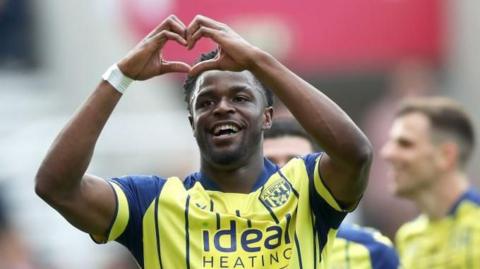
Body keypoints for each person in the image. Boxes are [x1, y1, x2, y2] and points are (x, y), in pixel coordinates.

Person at [35, 15, 372, 269]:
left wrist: (258, 60)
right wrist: (119, 76)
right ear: (193, 123)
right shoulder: (153, 204)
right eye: (206, 102)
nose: (222, 107)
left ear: (267, 117)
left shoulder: (305, 187)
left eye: (240, 97)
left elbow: (355, 154)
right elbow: (56, 187)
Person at [264, 120, 399, 269]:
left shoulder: (371, 250)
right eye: (270, 163)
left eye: (295, 163)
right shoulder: (235, 243)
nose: (282, 172)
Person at [381, 97, 479, 268]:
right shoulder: (408, 238)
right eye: (390, 143)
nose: (387, 153)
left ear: (446, 155)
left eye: (405, 144)